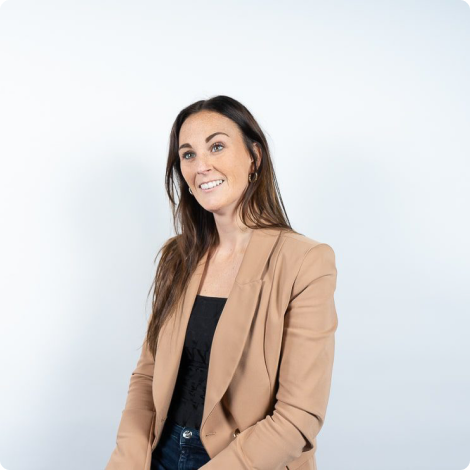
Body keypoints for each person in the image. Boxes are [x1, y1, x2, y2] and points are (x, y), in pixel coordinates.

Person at [105, 95, 338, 470]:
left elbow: (298, 417)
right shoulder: (177, 257)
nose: (201, 166)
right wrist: (126, 461)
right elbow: (148, 375)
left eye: (216, 146)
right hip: (160, 453)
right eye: (188, 154)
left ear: (254, 157)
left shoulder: (305, 261)